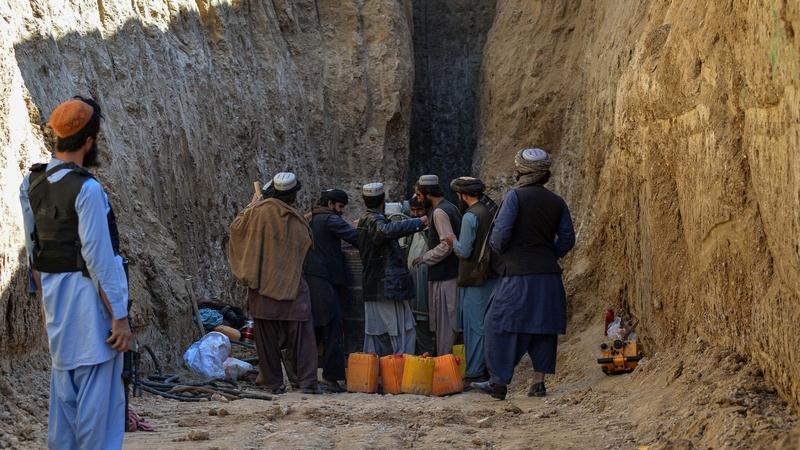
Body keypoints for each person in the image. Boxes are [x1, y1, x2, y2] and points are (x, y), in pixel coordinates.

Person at [20, 97, 131, 449]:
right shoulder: (88, 189)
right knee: (99, 418)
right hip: (93, 317)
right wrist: (120, 317)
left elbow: (34, 253)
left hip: (58, 313)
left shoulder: (31, 184)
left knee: (64, 413)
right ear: (88, 140)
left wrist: (44, 307)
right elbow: (100, 260)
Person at [472, 148, 576, 400]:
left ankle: (498, 383)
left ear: (520, 171)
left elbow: (500, 236)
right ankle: (537, 383)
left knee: (496, 323)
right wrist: (548, 253)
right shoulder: (557, 202)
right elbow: (567, 240)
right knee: (543, 327)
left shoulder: (514, 197)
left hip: (518, 275)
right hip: (549, 276)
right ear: (544, 174)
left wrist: (505, 251)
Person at [229, 172, 322, 395]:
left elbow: (236, 228)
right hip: (292, 288)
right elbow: (305, 251)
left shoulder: (256, 213)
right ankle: (308, 382)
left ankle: (274, 383)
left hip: (262, 288)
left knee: (266, 340)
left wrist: (252, 206)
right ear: (293, 196)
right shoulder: (298, 221)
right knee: (302, 337)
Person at [357, 183, 428, 356]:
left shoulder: (365, 221)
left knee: (379, 333)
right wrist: (418, 222)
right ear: (383, 200)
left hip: (377, 286)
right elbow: (385, 231)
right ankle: (400, 373)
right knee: (400, 332)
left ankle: (380, 373)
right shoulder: (374, 221)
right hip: (387, 287)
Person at [304, 189, 358, 393]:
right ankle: (330, 377)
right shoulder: (330, 219)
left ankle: (302, 374)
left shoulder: (309, 217)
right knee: (333, 326)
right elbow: (355, 237)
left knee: (314, 327)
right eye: (340, 207)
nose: (341, 211)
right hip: (324, 278)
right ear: (330, 204)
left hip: (310, 278)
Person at [445, 177, 496, 387]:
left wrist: (452, 241)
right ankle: (485, 369)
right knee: (484, 324)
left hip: (473, 278)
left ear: (463, 195)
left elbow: (464, 250)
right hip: (488, 276)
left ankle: (475, 373)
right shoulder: (488, 210)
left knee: (474, 327)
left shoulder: (470, 217)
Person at [413, 174, 461, 356]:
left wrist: (426, 257)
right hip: (450, 274)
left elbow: (447, 243)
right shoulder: (450, 207)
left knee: (446, 324)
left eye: (419, 196)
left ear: (427, 193)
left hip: (445, 276)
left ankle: (444, 369)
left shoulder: (440, 212)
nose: (418, 200)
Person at [406, 195, 435, 355]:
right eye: (413, 210)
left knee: (426, 325)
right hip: (412, 289)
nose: (415, 214)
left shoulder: (432, 231)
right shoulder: (409, 230)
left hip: (426, 288)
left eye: (419, 210)